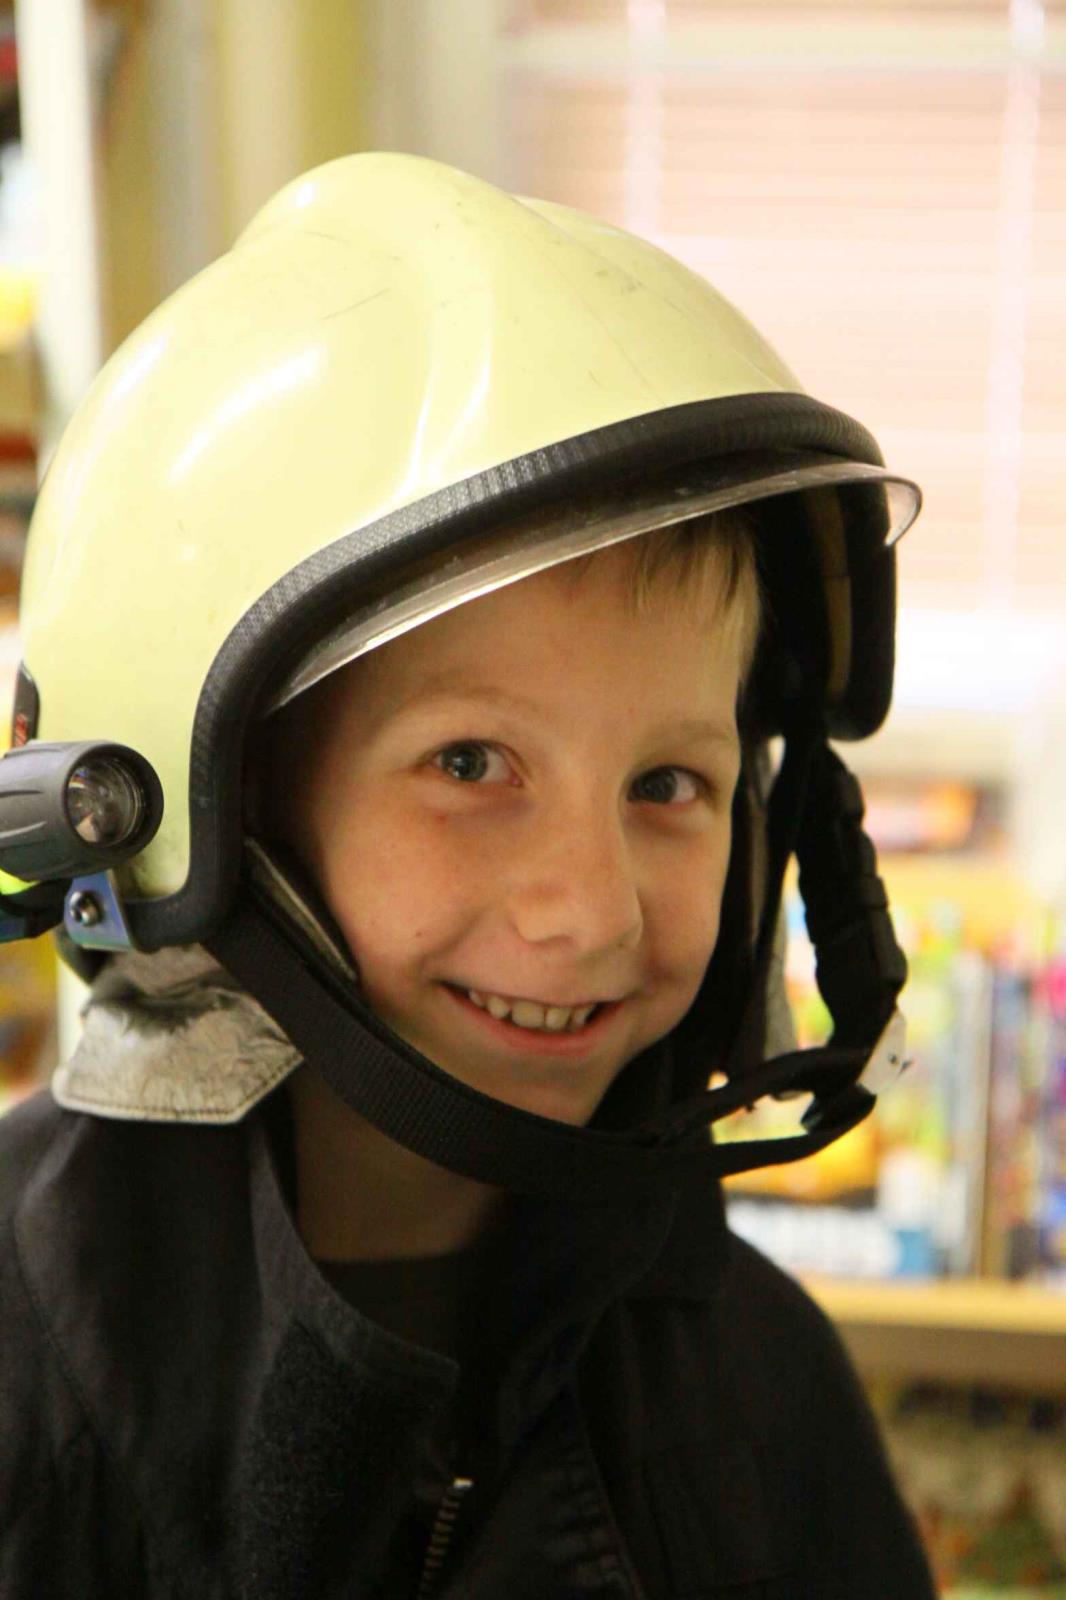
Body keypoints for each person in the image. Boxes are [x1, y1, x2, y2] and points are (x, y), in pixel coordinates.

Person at [0, 153, 936, 1597]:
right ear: (211, 801)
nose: (591, 911)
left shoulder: (764, 1393)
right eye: (470, 764)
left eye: (667, 785)